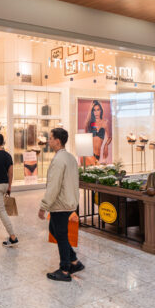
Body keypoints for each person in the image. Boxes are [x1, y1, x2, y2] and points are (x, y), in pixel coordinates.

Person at [38, 128, 84, 282]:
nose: (48, 141)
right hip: (68, 202)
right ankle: (74, 261)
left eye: (50, 138)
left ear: (57, 141)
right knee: (54, 230)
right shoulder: (70, 157)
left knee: (61, 235)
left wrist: (44, 206)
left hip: (61, 204)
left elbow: (54, 186)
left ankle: (65, 270)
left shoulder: (59, 160)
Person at [83, 100, 112, 164]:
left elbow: (110, 137)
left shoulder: (105, 123)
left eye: (98, 110)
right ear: (92, 111)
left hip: (97, 155)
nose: (96, 112)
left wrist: (106, 145)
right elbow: (85, 139)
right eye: (94, 110)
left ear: (101, 110)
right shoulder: (90, 123)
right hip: (88, 154)